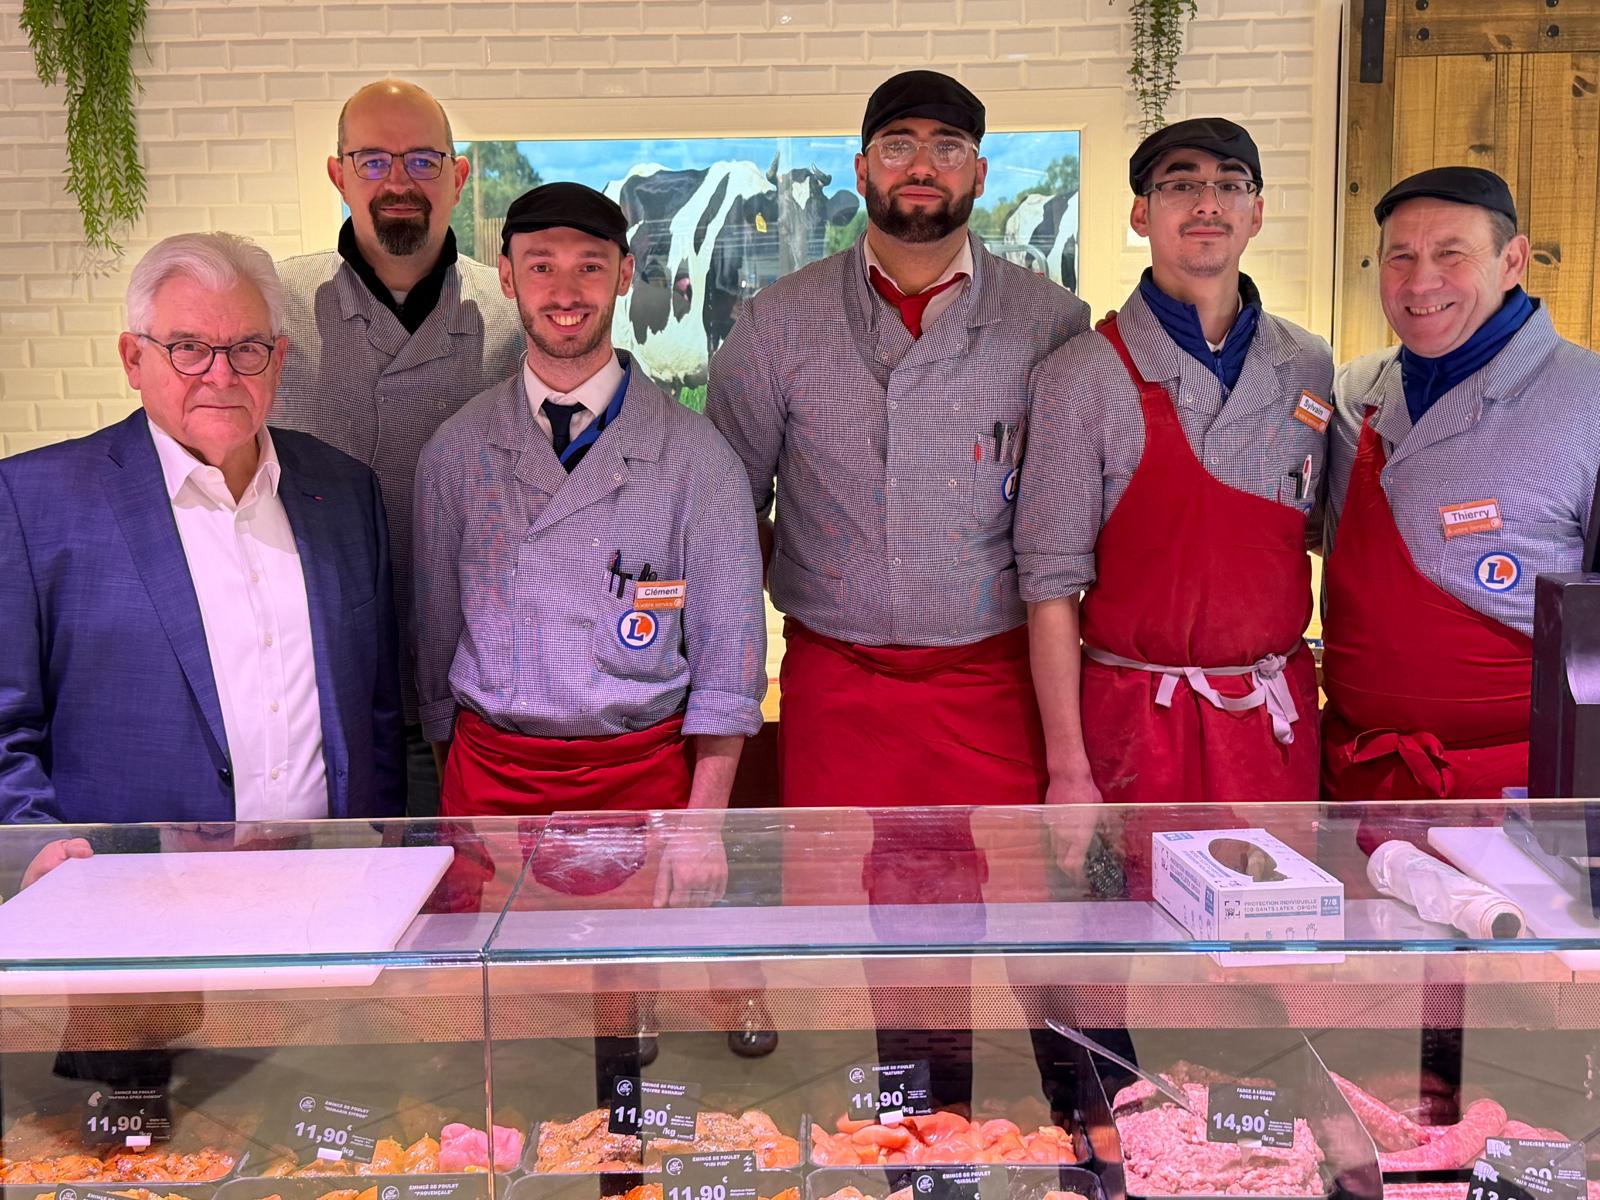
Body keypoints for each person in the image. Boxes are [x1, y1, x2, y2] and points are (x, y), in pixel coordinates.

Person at [706, 69, 1090, 813]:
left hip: (998, 685)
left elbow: (1065, 540)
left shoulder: (1051, 324)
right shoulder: (774, 326)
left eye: (948, 148)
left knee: (1000, 925)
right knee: (833, 920)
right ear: (860, 169)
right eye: (897, 145)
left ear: (980, 172)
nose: (921, 166)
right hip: (834, 683)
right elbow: (731, 520)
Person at [413, 181, 765, 883]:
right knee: (501, 995)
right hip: (492, 788)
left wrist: (703, 830)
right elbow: (432, 656)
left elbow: (730, 669)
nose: (565, 289)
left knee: (633, 991)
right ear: (507, 275)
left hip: (642, 784)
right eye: (541, 264)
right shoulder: (455, 453)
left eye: (590, 265)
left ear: (626, 275)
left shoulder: (699, 460)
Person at [1015, 119, 1332, 891]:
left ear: (1256, 211)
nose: (1207, 203)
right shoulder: (1081, 376)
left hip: (1272, 724)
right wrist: (1069, 772)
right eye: (1180, 184)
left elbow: (1328, 540)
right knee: (1120, 955)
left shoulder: (1310, 365)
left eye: (1230, 183)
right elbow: (1050, 590)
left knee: (1268, 961)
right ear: (1141, 213)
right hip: (1132, 724)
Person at [0, 231, 405, 834]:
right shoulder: (34, 503)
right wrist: (41, 852)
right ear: (134, 360)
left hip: (330, 889)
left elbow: (376, 714)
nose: (220, 375)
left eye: (246, 349)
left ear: (279, 359)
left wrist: (381, 853)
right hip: (132, 899)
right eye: (187, 348)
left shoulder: (345, 492)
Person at [272, 78, 523, 815]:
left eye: (421, 159)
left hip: (475, 692)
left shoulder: (514, 317)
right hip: (316, 698)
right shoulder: (274, 310)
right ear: (338, 174)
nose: (399, 181)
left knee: (470, 905)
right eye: (373, 161)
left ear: (459, 174)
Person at [1322, 166, 1600, 811]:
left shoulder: (1589, 399)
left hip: (1527, 799)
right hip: (1357, 783)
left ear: (1513, 260)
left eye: (1452, 253)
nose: (1422, 282)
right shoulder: (1352, 395)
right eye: (1401, 257)